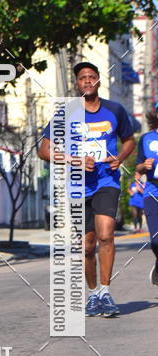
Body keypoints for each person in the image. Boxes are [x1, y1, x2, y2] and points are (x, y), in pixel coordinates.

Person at [38, 61, 135, 318]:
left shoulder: (115, 110)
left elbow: (129, 140)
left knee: (106, 235)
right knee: (87, 246)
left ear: (99, 80)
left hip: (106, 181)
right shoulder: (66, 113)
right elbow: (44, 150)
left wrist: (120, 158)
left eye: (92, 76)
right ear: (77, 83)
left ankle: (105, 292)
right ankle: (93, 295)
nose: (88, 81)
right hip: (78, 186)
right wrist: (74, 160)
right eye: (83, 78)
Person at [135, 102, 158, 285]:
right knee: (156, 240)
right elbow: (138, 167)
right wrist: (144, 166)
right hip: (153, 192)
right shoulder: (146, 139)